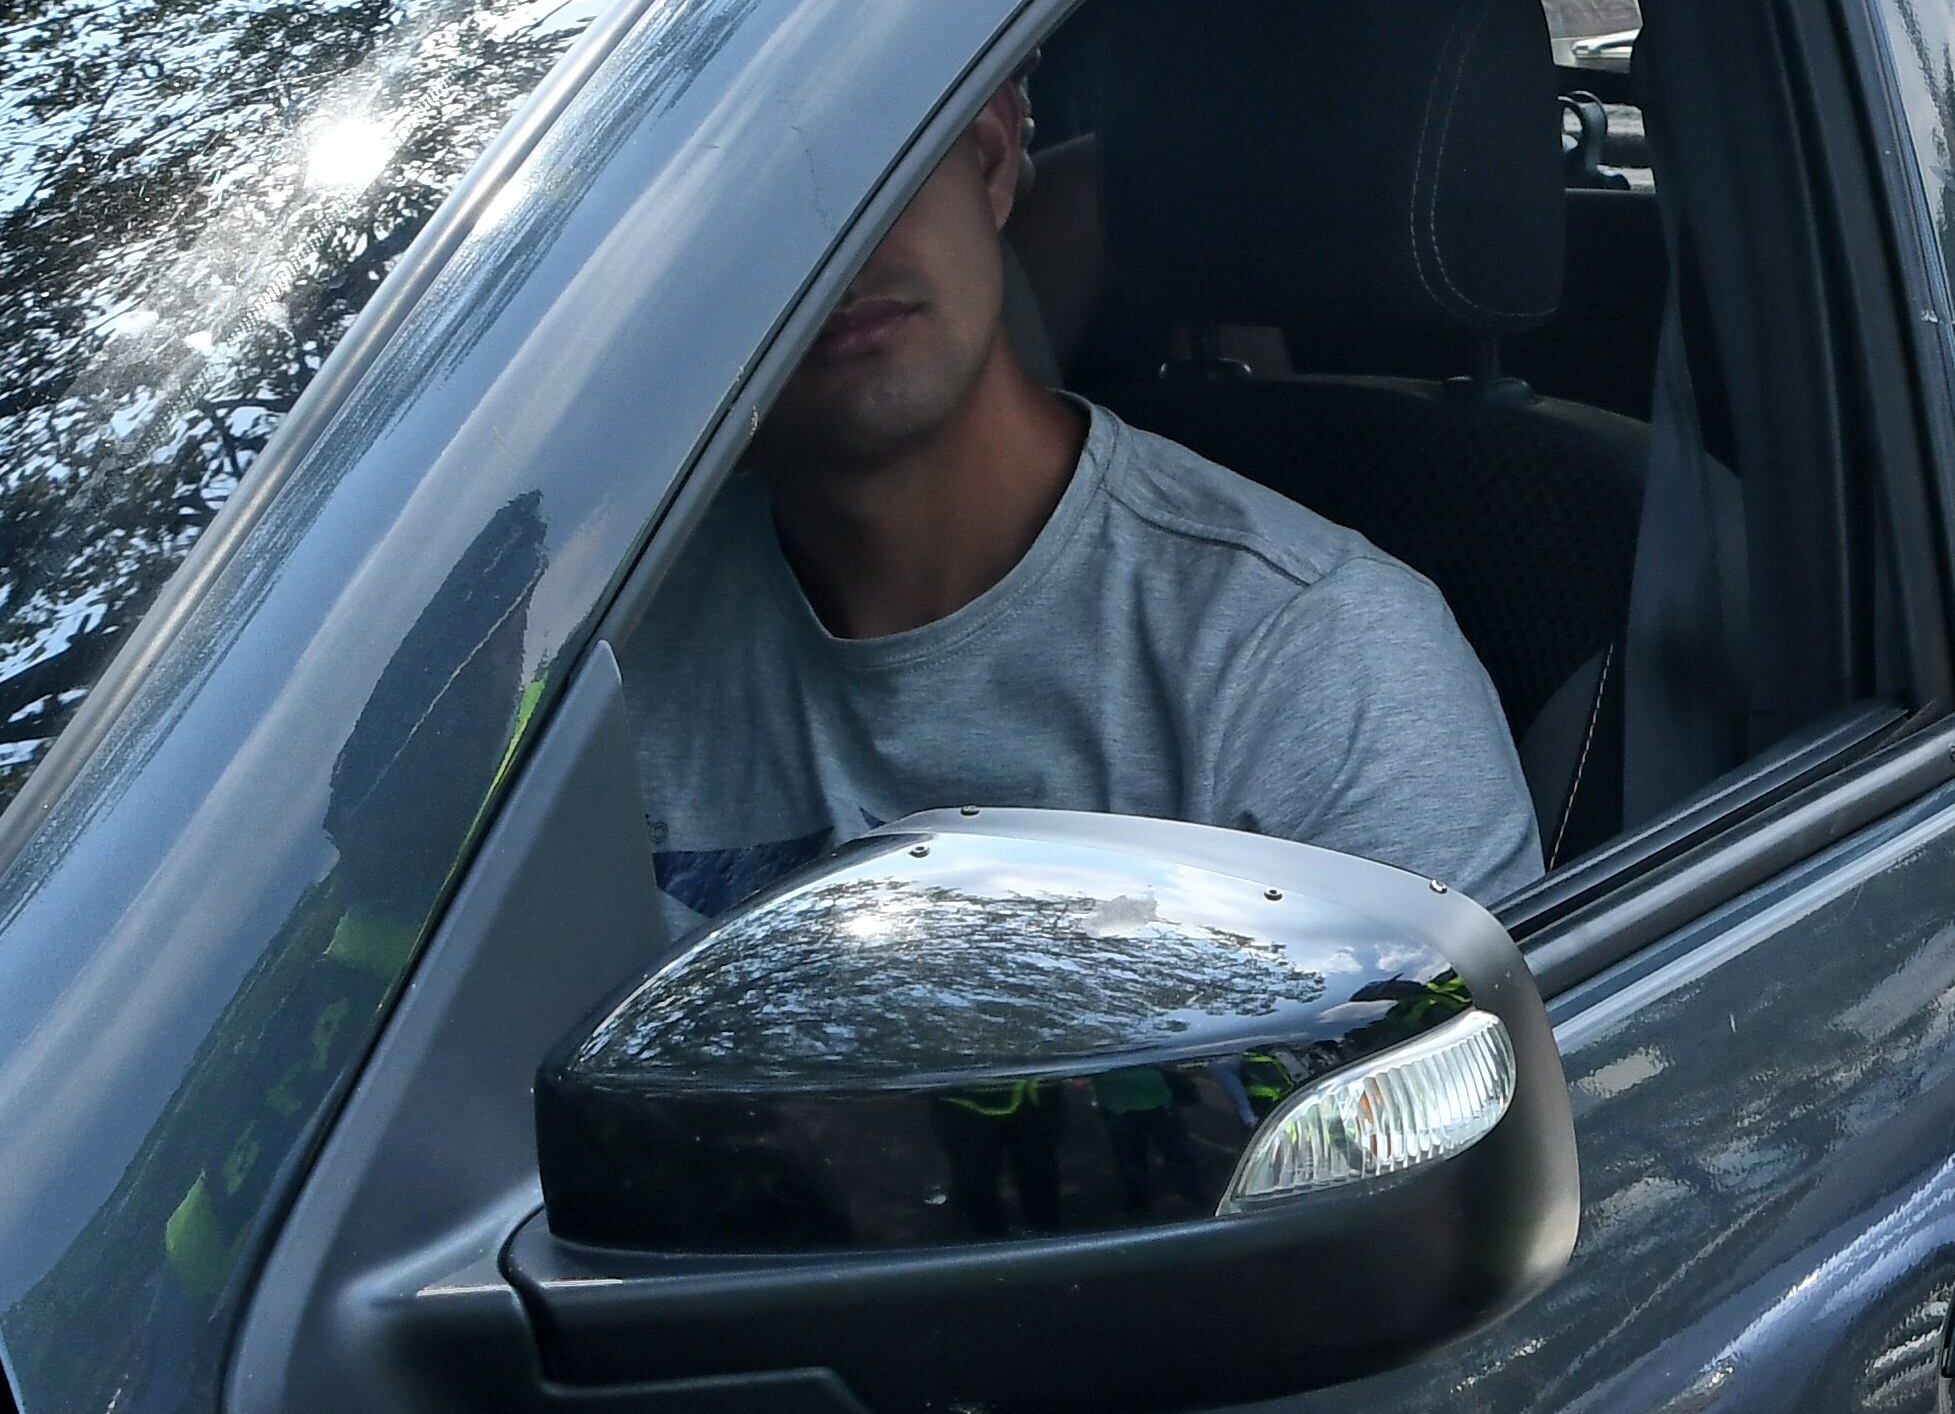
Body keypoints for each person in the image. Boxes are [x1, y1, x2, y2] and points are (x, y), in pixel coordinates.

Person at [621, 74, 1542, 932]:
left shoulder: (1311, 657)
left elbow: (1451, 1093)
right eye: (746, 209)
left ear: (986, 159)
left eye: (866, 167)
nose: (833, 251)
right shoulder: (601, 649)